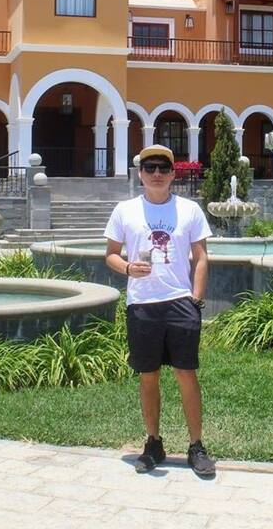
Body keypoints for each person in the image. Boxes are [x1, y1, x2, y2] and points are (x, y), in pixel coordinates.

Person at [104, 144, 216, 476]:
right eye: (150, 167)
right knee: (148, 375)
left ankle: (196, 446)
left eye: (163, 168)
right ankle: (153, 443)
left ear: (172, 173)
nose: (156, 173)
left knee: (186, 374)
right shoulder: (125, 210)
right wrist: (127, 268)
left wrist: (196, 300)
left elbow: (201, 257)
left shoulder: (189, 209)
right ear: (140, 173)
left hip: (180, 303)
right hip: (142, 304)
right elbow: (110, 254)